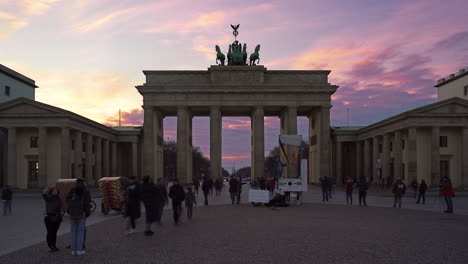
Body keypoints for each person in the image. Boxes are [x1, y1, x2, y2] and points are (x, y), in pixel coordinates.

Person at [66, 178, 91, 255]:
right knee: (80, 232)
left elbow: (67, 199)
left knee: (73, 232)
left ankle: (73, 250)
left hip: (73, 213)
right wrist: (87, 212)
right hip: (81, 213)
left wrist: (70, 209)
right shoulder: (85, 191)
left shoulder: (72, 190)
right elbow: (87, 203)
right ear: (83, 183)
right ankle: (79, 250)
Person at [42, 187, 62, 252]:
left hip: (57, 218)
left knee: (54, 232)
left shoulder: (58, 198)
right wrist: (46, 191)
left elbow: (59, 209)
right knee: (50, 232)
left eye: (56, 190)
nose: (55, 191)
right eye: (54, 190)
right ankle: (50, 245)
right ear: (51, 191)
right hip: (49, 218)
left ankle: (54, 245)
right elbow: (44, 195)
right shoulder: (49, 197)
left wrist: (60, 217)